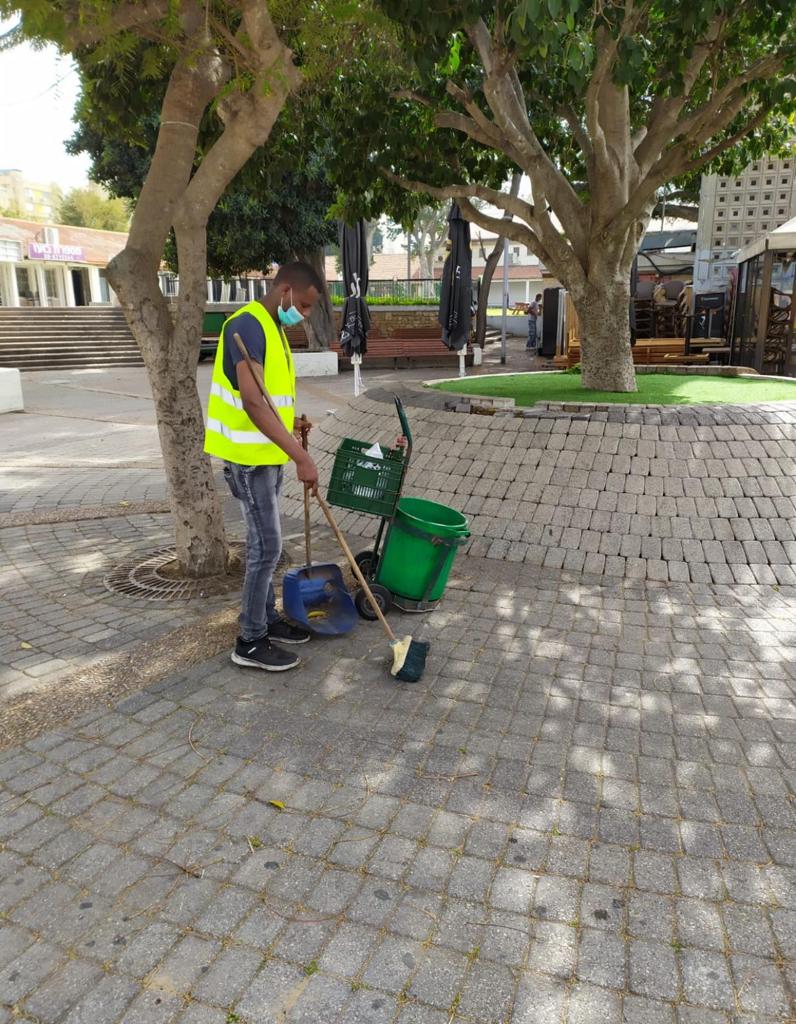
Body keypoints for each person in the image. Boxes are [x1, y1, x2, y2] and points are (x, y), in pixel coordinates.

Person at [204, 261, 322, 673]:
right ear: (285, 288)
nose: (303, 316)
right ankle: (250, 639)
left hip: (267, 456)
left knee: (266, 546)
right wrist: (301, 455)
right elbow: (253, 403)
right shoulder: (249, 324)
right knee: (266, 546)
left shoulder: (271, 328)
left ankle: (266, 619)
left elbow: (268, 400)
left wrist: (291, 426)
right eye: (304, 306)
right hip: (249, 460)